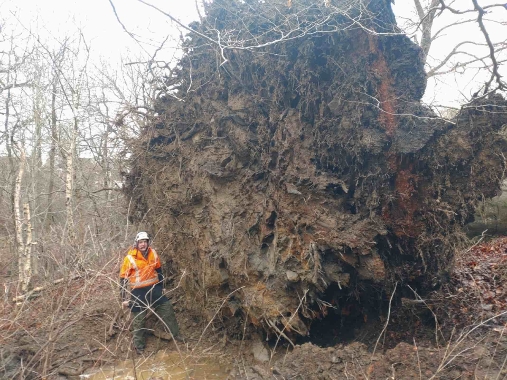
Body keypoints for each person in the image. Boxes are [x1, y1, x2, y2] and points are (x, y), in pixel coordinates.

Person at [119, 231, 183, 354]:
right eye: (140, 242)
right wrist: (123, 299)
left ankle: (176, 335)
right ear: (136, 243)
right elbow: (123, 280)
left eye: (145, 242)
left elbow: (159, 270)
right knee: (139, 320)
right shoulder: (130, 258)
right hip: (138, 292)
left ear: (148, 242)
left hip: (155, 289)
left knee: (167, 309)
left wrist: (161, 286)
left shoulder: (153, 253)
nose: (143, 244)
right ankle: (139, 346)